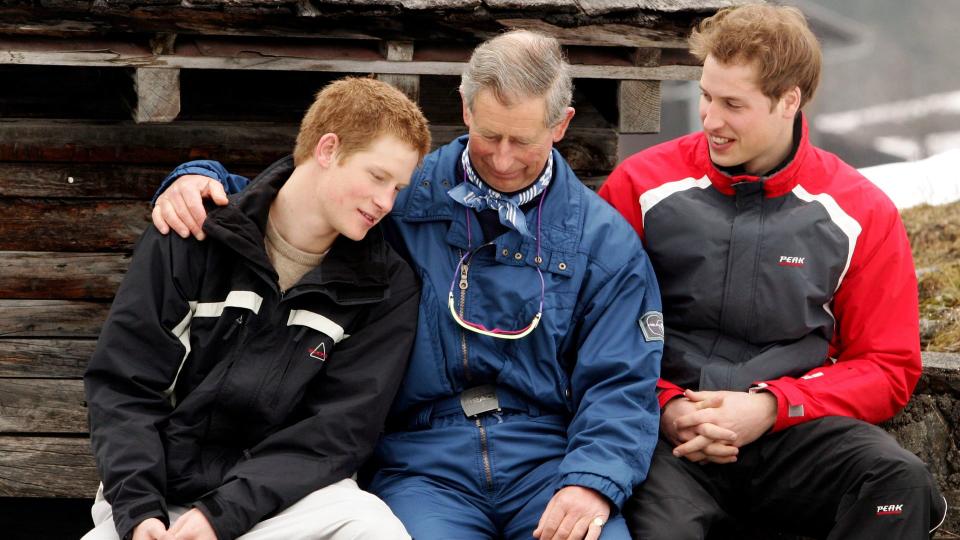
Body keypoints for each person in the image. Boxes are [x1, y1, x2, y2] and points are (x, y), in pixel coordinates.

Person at [151, 30, 663, 540]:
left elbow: (622, 381)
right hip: (421, 462)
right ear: (464, 108)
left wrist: (592, 482)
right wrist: (199, 175)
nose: (503, 159)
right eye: (490, 135)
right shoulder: (400, 194)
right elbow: (298, 199)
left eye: (523, 141)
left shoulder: (604, 242)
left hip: (550, 461)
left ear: (561, 125)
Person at [599, 5, 949, 538]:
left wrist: (771, 406)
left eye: (733, 104)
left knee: (897, 484)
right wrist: (665, 406)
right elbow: (594, 330)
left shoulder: (861, 212)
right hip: (668, 436)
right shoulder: (640, 187)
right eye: (707, 96)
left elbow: (888, 365)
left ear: (789, 101)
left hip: (792, 430)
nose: (710, 120)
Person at [83, 77, 431, 540]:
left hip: (285, 502)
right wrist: (140, 514)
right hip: (154, 489)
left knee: (374, 530)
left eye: (398, 188)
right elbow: (124, 385)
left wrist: (220, 516)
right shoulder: (192, 235)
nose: (386, 203)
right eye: (377, 177)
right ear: (328, 149)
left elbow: (336, 432)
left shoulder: (386, 286)